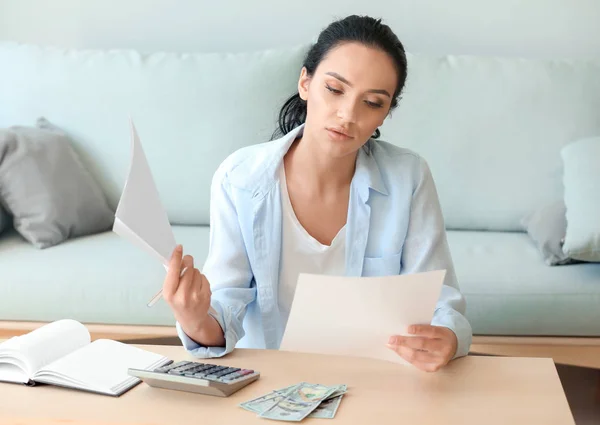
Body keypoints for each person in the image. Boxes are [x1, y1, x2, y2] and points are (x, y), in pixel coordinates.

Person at [162, 15, 472, 372]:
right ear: (305, 82)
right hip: (267, 378)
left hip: (374, 377)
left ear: (385, 114)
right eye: (335, 89)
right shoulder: (240, 178)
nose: (347, 115)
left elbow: (440, 303)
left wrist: (446, 338)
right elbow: (226, 306)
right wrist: (194, 318)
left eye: (372, 102)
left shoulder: (409, 177)